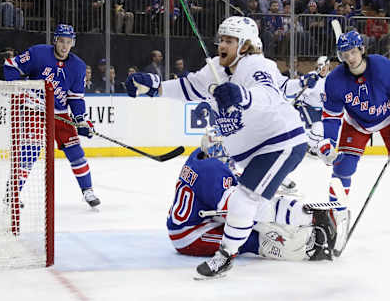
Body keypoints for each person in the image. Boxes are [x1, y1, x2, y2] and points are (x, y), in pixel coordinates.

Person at [126, 16, 317, 279]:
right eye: (222, 40)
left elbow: (269, 95)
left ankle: (225, 256)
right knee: (255, 206)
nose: (222, 45)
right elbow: (189, 87)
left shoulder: (257, 65)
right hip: (254, 151)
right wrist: (154, 87)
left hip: (280, 142)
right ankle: (312, 219)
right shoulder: (215, 68)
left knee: (243, 198)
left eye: (229, 40)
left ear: (245, 45)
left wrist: (242, 96)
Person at [167, 128, 349, 262]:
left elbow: (221, 184)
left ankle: (305, 224)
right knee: (254, 236)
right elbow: (238, 210)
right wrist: (285, 215)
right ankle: (307, 249)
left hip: (194, 221)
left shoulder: (199, 157)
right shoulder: (213, 171)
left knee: (252, 211)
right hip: (190, 236)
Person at [315, 30, 390, 233]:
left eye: (352, 52)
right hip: (357, 122)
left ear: (361, 49)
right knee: (342, 168)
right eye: (344, 54)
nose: (349, 58)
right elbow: (332, 116)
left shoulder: (381, 66)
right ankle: (335, 219)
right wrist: (328, 142)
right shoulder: (334, 80)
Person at [4, 24, 101, 208]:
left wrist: (81, 119)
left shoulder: (78, 66)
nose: (65, 46)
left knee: (76, 152)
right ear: (55, 40)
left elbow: (75, 98)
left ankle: (88, 191)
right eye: (62, 41)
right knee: (30, 152)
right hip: (35, 108)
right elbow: (11, 65)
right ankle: (12, 193)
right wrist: (19, 89)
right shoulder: (38, 53)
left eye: (69, 42)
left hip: (59, 113)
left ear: (73, 43)